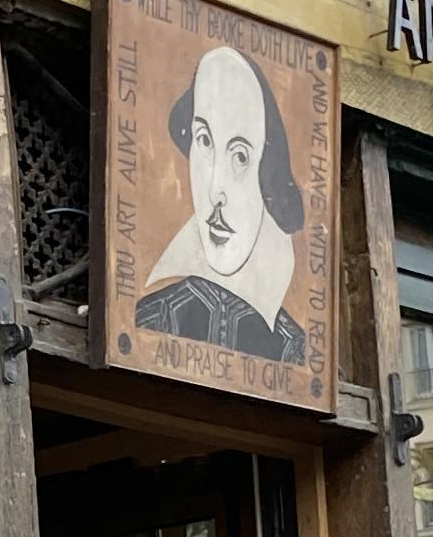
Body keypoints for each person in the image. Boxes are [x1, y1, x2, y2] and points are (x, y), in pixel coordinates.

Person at [131, 40, 306, 362]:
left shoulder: (291, 347)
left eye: (240, 155)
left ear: (269, 171)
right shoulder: (150, 317)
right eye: (205, 141)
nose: (216, 190)